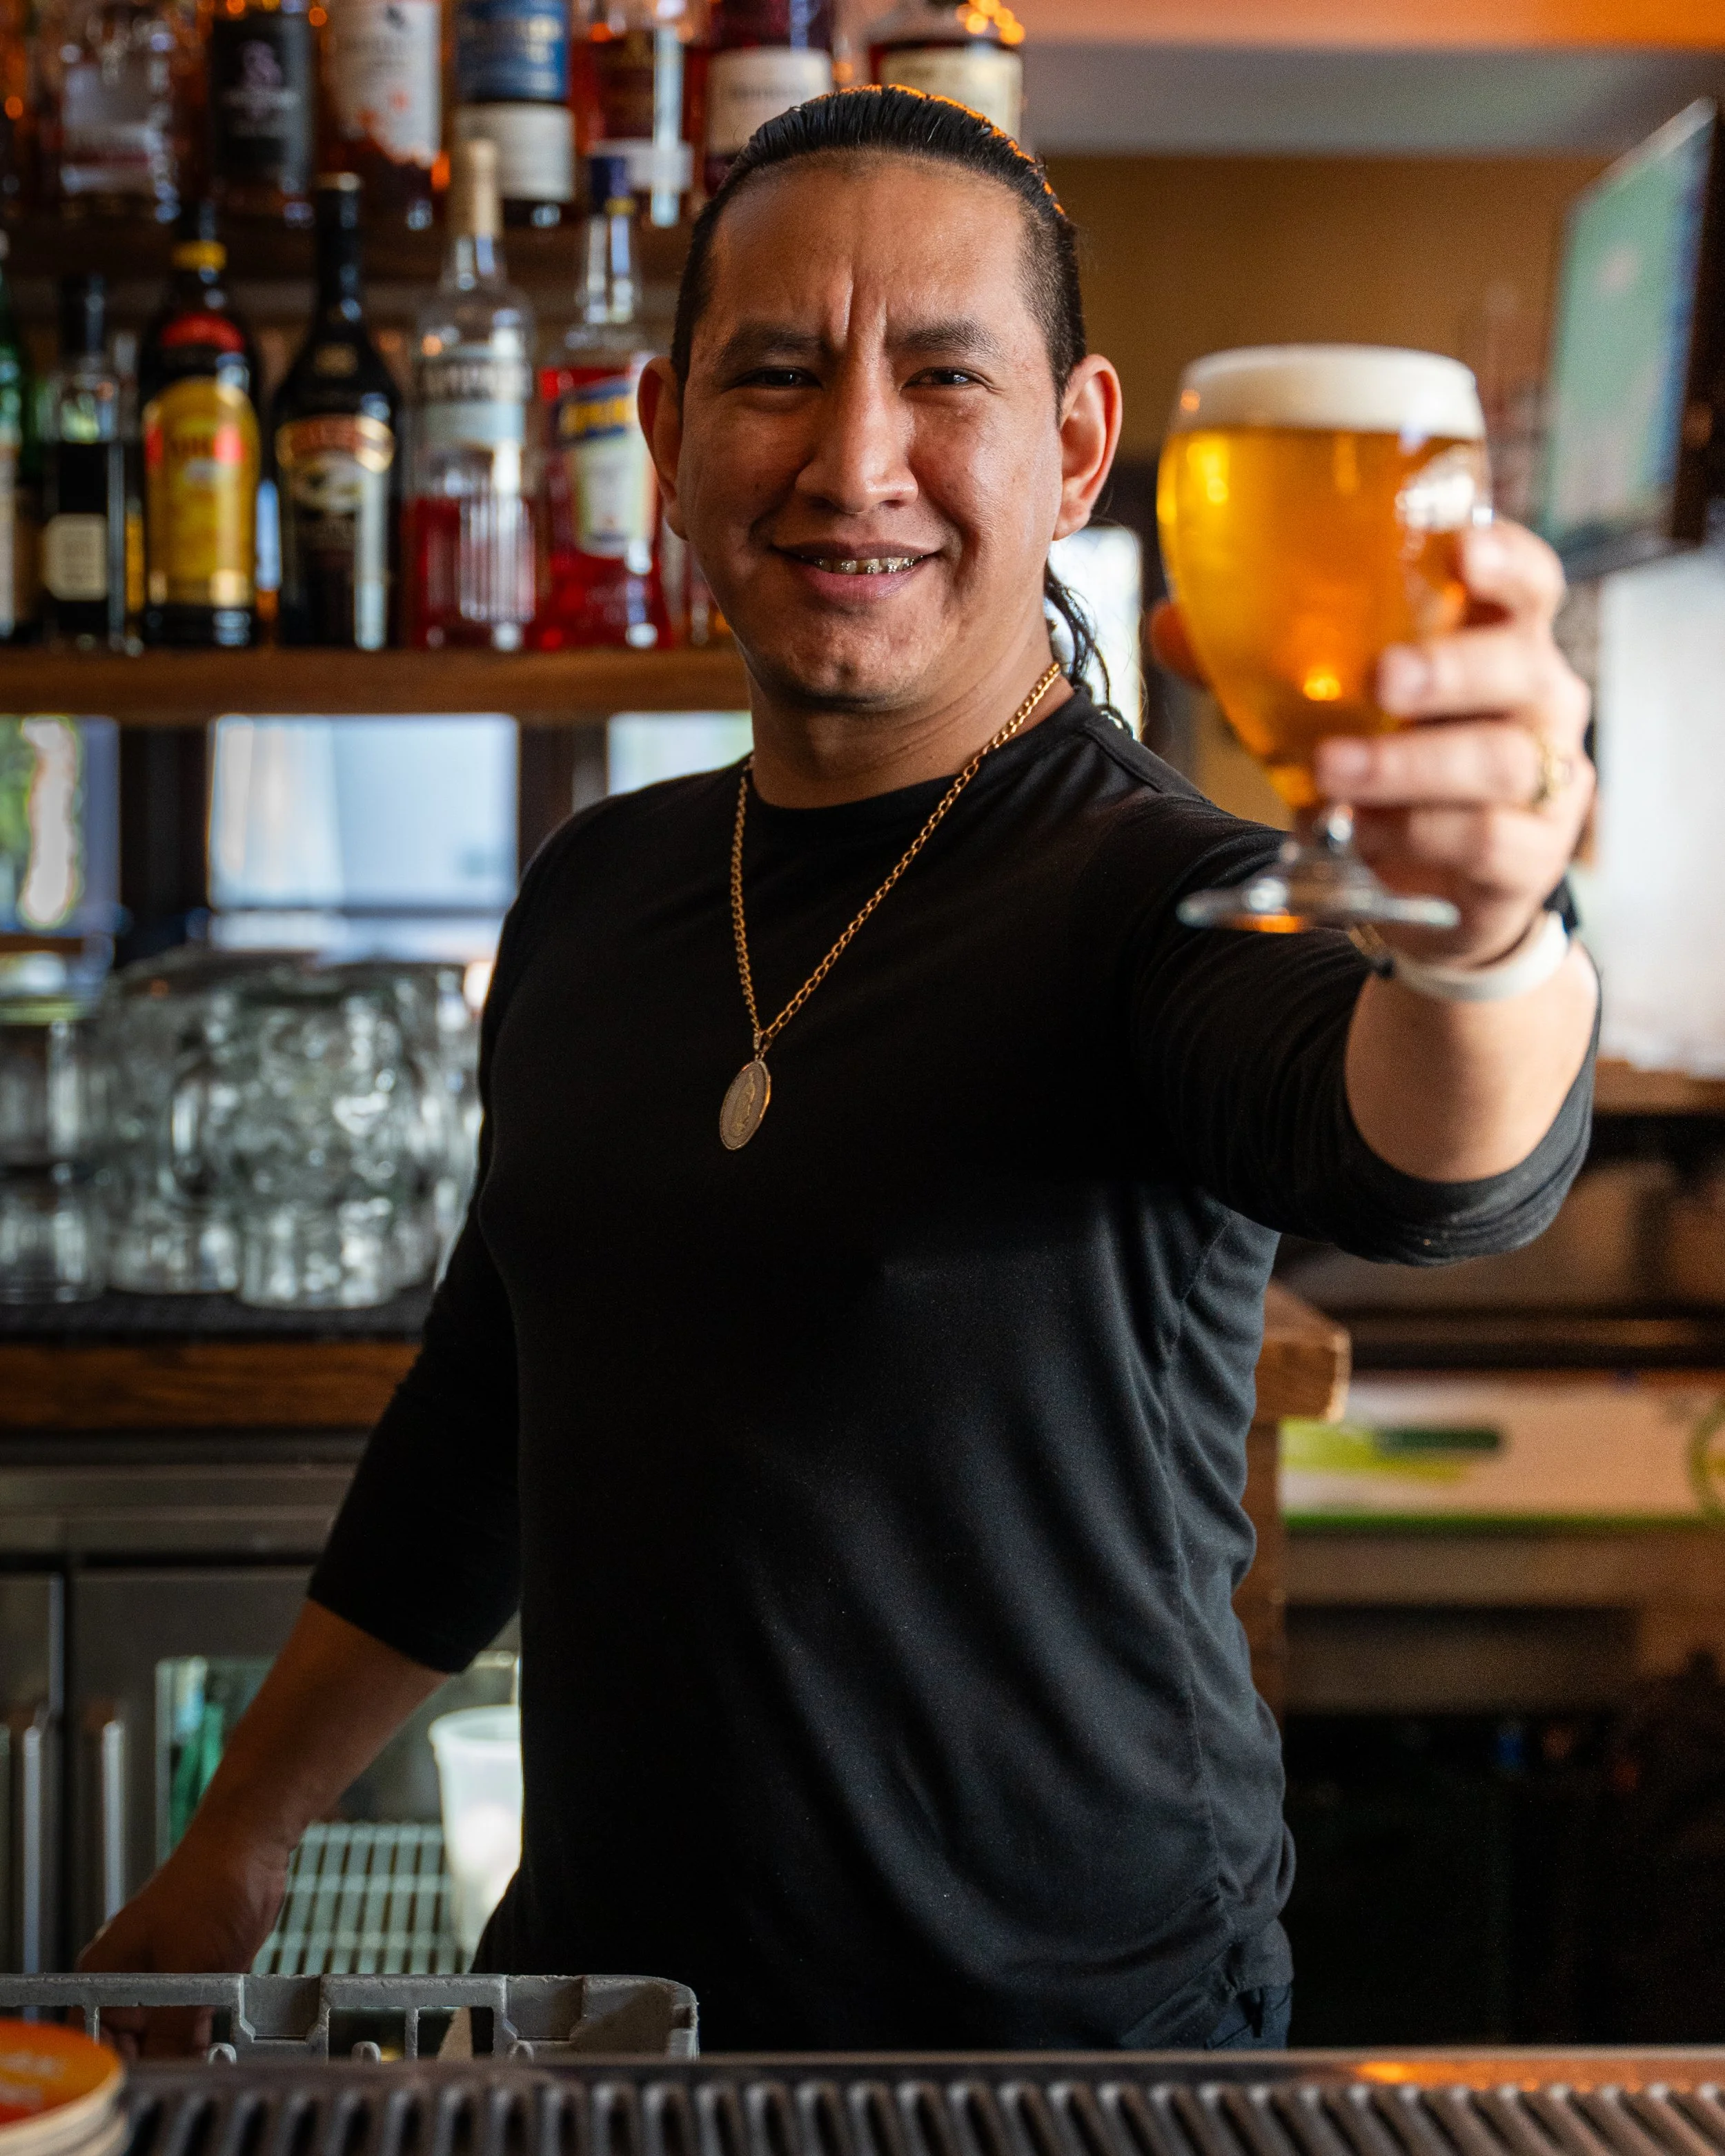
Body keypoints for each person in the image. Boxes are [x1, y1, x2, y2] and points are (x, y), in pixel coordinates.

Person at [84, 88, 1597, 2052]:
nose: (852, 458)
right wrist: (247, 1830)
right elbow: (491, 1406)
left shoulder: (1164, 900)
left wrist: (1487, 939)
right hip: (612, 2024)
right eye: (776, 374)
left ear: (1073, 451)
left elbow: (1431, 1160)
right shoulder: (603, 888)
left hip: (1064, 2065)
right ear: (667, 440)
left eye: (942, 376)